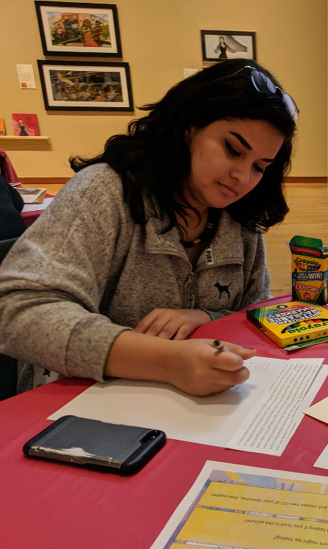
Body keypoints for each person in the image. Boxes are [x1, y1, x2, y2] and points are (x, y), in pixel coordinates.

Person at [0, 59, 299, 396]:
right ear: (188, 127)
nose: (243, 178)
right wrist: (167, 361)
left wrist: (207, 316)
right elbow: (17, 310)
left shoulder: (240, 217)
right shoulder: (104, 191)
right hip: (72, 404)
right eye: (232, 149)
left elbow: (256, 312)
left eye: (260, 166)